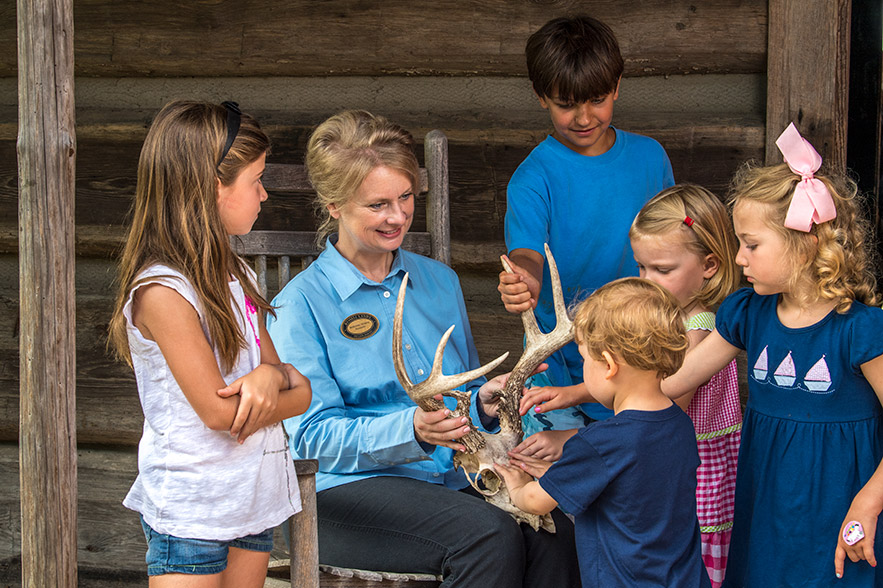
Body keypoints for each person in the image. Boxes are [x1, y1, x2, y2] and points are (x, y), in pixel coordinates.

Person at [522, 123, 883, 586]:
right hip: (765, 496)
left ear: (805, 244)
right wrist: (576, 393)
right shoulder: (750, 314)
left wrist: (869, 501)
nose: (739, 259)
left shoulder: (861, 330)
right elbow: (670, 382)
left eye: (751, 245)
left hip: (839, 499)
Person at [267, 110, 581, 587]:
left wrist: (481, 403)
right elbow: (309, 438)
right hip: (340, 498)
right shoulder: (299, 305)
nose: (397, 217)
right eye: (377, 205)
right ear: (333, 204)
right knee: (488, 536)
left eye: (406, 197)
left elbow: (461, 397)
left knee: (554, 530)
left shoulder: (438, 282)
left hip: (454, 480)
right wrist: (410, 430)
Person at [108, 100, 312, 587]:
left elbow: (303, 392)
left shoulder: (235, 274)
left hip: (249, 497)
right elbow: (220, 414)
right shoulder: (162, 292)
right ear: (211, 187)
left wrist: (270, 376)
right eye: (255, 180)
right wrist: (280, 382)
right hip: (193, 510)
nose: (263, 195)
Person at [498, 15, 675, 457]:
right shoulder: (532, 178)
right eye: (566, 104)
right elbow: (527, 253)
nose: (583, 117)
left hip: (634, 356)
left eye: (596, 100)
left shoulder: (650, 159)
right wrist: (523, 280)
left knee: (627, 471)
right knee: (558, 479)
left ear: (616, 86)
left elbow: (673, 239)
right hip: (554, 366)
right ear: (541, 97)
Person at [495, 277, 710, 587]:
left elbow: (535, 501)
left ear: (608, 365)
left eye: (584, 359)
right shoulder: (679, 424)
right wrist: (561, 474)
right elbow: (630, 489)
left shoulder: (601, 442)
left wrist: (517, 483)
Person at [629, 184, 742, 587]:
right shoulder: (675, 318)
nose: (648, 281)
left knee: (690, 560)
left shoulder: (697, 328)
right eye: (641, 268)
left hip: (693, 468)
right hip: (683, 460)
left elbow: (665, 404)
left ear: (709, 265)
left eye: (662, 270)